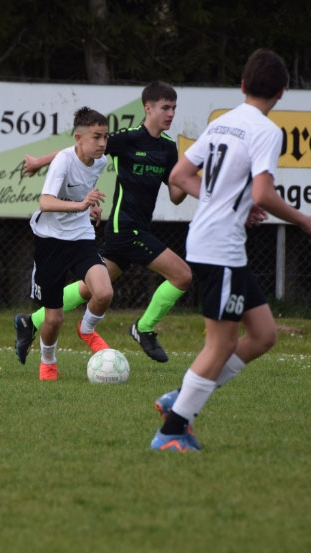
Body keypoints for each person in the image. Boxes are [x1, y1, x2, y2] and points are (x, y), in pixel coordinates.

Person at [151, 49, 311, 452]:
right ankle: (173, 430)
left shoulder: (223, 122)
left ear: (243, 85)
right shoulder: (267, 130)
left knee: (262, 335)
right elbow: (262, 192)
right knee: (220, 344)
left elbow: (179, 175)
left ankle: (182, 397)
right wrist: (304, 220)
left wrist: (225, 201)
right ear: (281, 92)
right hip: (219, 248)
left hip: (216, 245)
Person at [15, 81, 188, 364]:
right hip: (125, 228)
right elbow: (78, 149)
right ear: (148, 108)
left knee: (91, 288)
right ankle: (143, 328)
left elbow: (176, 195)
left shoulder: (168, 148)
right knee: (182, 275)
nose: (170, 114)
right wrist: (39, 162)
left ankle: (30, 321)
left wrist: (194, 175)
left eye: (174, 108)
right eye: (165, 108)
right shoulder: (128, 139)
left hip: (137, 227)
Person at [25, 106, 112, 381]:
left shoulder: (100, 161)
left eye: (105, 137)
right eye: (96, 137)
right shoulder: (63, 161)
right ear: (79, 138)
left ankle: (86, 330)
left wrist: (89, 207)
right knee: (53, 319)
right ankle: (48, 362)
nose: (102, 143)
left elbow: (81, 192)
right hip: (50, 241)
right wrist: (82, 205)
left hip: (81, 237)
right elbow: (45, 202)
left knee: (104, 292)